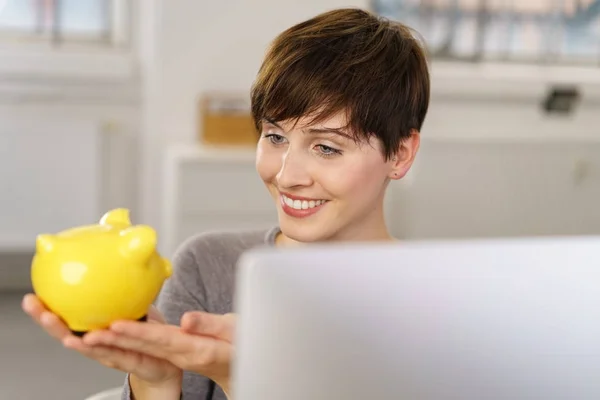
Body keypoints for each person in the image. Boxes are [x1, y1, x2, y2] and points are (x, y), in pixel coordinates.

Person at [21, 7, 430, 400]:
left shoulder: (433, 304)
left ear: (399, 154)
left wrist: (243, 378)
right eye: (275, 137)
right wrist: (159, 379)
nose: (286, 175)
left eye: (325, 147)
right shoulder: (208, 268)